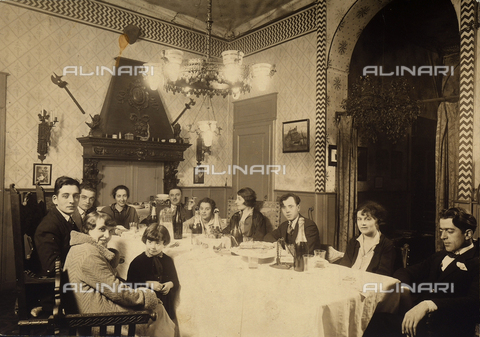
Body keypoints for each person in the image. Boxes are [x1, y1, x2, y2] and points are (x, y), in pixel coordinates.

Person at [364, 207, 479, 337]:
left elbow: (475, 302)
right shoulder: (439, 256)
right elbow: (406, 272)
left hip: (449, 331)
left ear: (468, 234)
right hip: (420, 325)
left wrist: (428, 305)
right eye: (441, 231)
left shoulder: (476, 261)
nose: (442, 237)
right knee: (370, 320)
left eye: (449, 231)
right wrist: (404, 287)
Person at [63, 212, 175, 337]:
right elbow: (116, 291)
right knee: (157, 308)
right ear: (87, 229)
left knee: (156, 307)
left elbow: (110, 284)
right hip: (98, 318)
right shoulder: (88, 254)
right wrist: (146, 296)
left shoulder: (81, 248)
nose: (107, 236)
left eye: (110, 231)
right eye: (102, 229)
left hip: (91, 309)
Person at [127, 224, 179, 321]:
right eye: (149, 242)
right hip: (144, 303)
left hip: (165, 303)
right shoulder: (137, 262)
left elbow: (175, 280)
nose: (153, 247)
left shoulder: (167, 260)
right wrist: (148, 284)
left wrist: (170, 284)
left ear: (164, 243)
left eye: (157, 243)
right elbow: (130, 285)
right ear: (145, 241)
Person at [35, 176, 80, 277]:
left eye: (76, 196)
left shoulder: (66, 218)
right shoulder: (49, 226)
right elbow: (51, 268)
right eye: (65, 196)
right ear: (55, 199)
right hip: (54, 282)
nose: (72, 201)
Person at [337, 201, 395, 276]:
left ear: (378, 221)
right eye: (359, 219)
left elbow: (383, 275)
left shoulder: (386, 245)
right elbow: (344, 267)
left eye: (367, 219)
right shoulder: (354, 242)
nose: (362, 223)